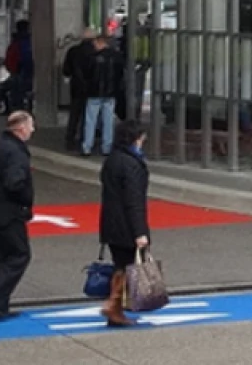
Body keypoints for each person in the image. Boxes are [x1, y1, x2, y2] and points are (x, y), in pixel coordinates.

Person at [0, 111, 36, 321]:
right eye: (30, 126)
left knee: (1, 258)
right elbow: (14, 182)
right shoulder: (16, 152)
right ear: (21, 128)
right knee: (20, 255)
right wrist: (24, 200)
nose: (32, 130)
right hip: (9, 212)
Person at [97, 120, 151, 328]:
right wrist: (140, 232)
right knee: (127, 266)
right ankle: (114, 305)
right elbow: (134, 200)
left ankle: (116, 307)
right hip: (127, 225)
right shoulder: (132, 164)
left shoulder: (112, 160)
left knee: (121, 264)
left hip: (111, 222)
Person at [83, 31, 124, 157]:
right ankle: (106, 147)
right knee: (108, 121)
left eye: (95, 42)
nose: (93, 44)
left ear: (100, 42)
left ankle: (87, 147)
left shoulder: (92, 57)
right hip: (110, 93)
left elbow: (87, 74)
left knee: (90, 120)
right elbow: (119, 75)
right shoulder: (116, 56)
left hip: (93, 93)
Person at [61, 28, 97, 151]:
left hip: (76, 87)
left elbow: (66, 70)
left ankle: (69, 139)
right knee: (90, 116)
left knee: (74, 114)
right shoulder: (96, 52)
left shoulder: (73, 51)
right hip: (93, 88)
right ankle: (85, 139)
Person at [0, 21, 33, 114]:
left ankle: (13, 109)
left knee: (15, 90)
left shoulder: (18, 40)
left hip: (19, 69)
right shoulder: (26, 40)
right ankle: (16, 109)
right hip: (21, 69)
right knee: (16, 90)